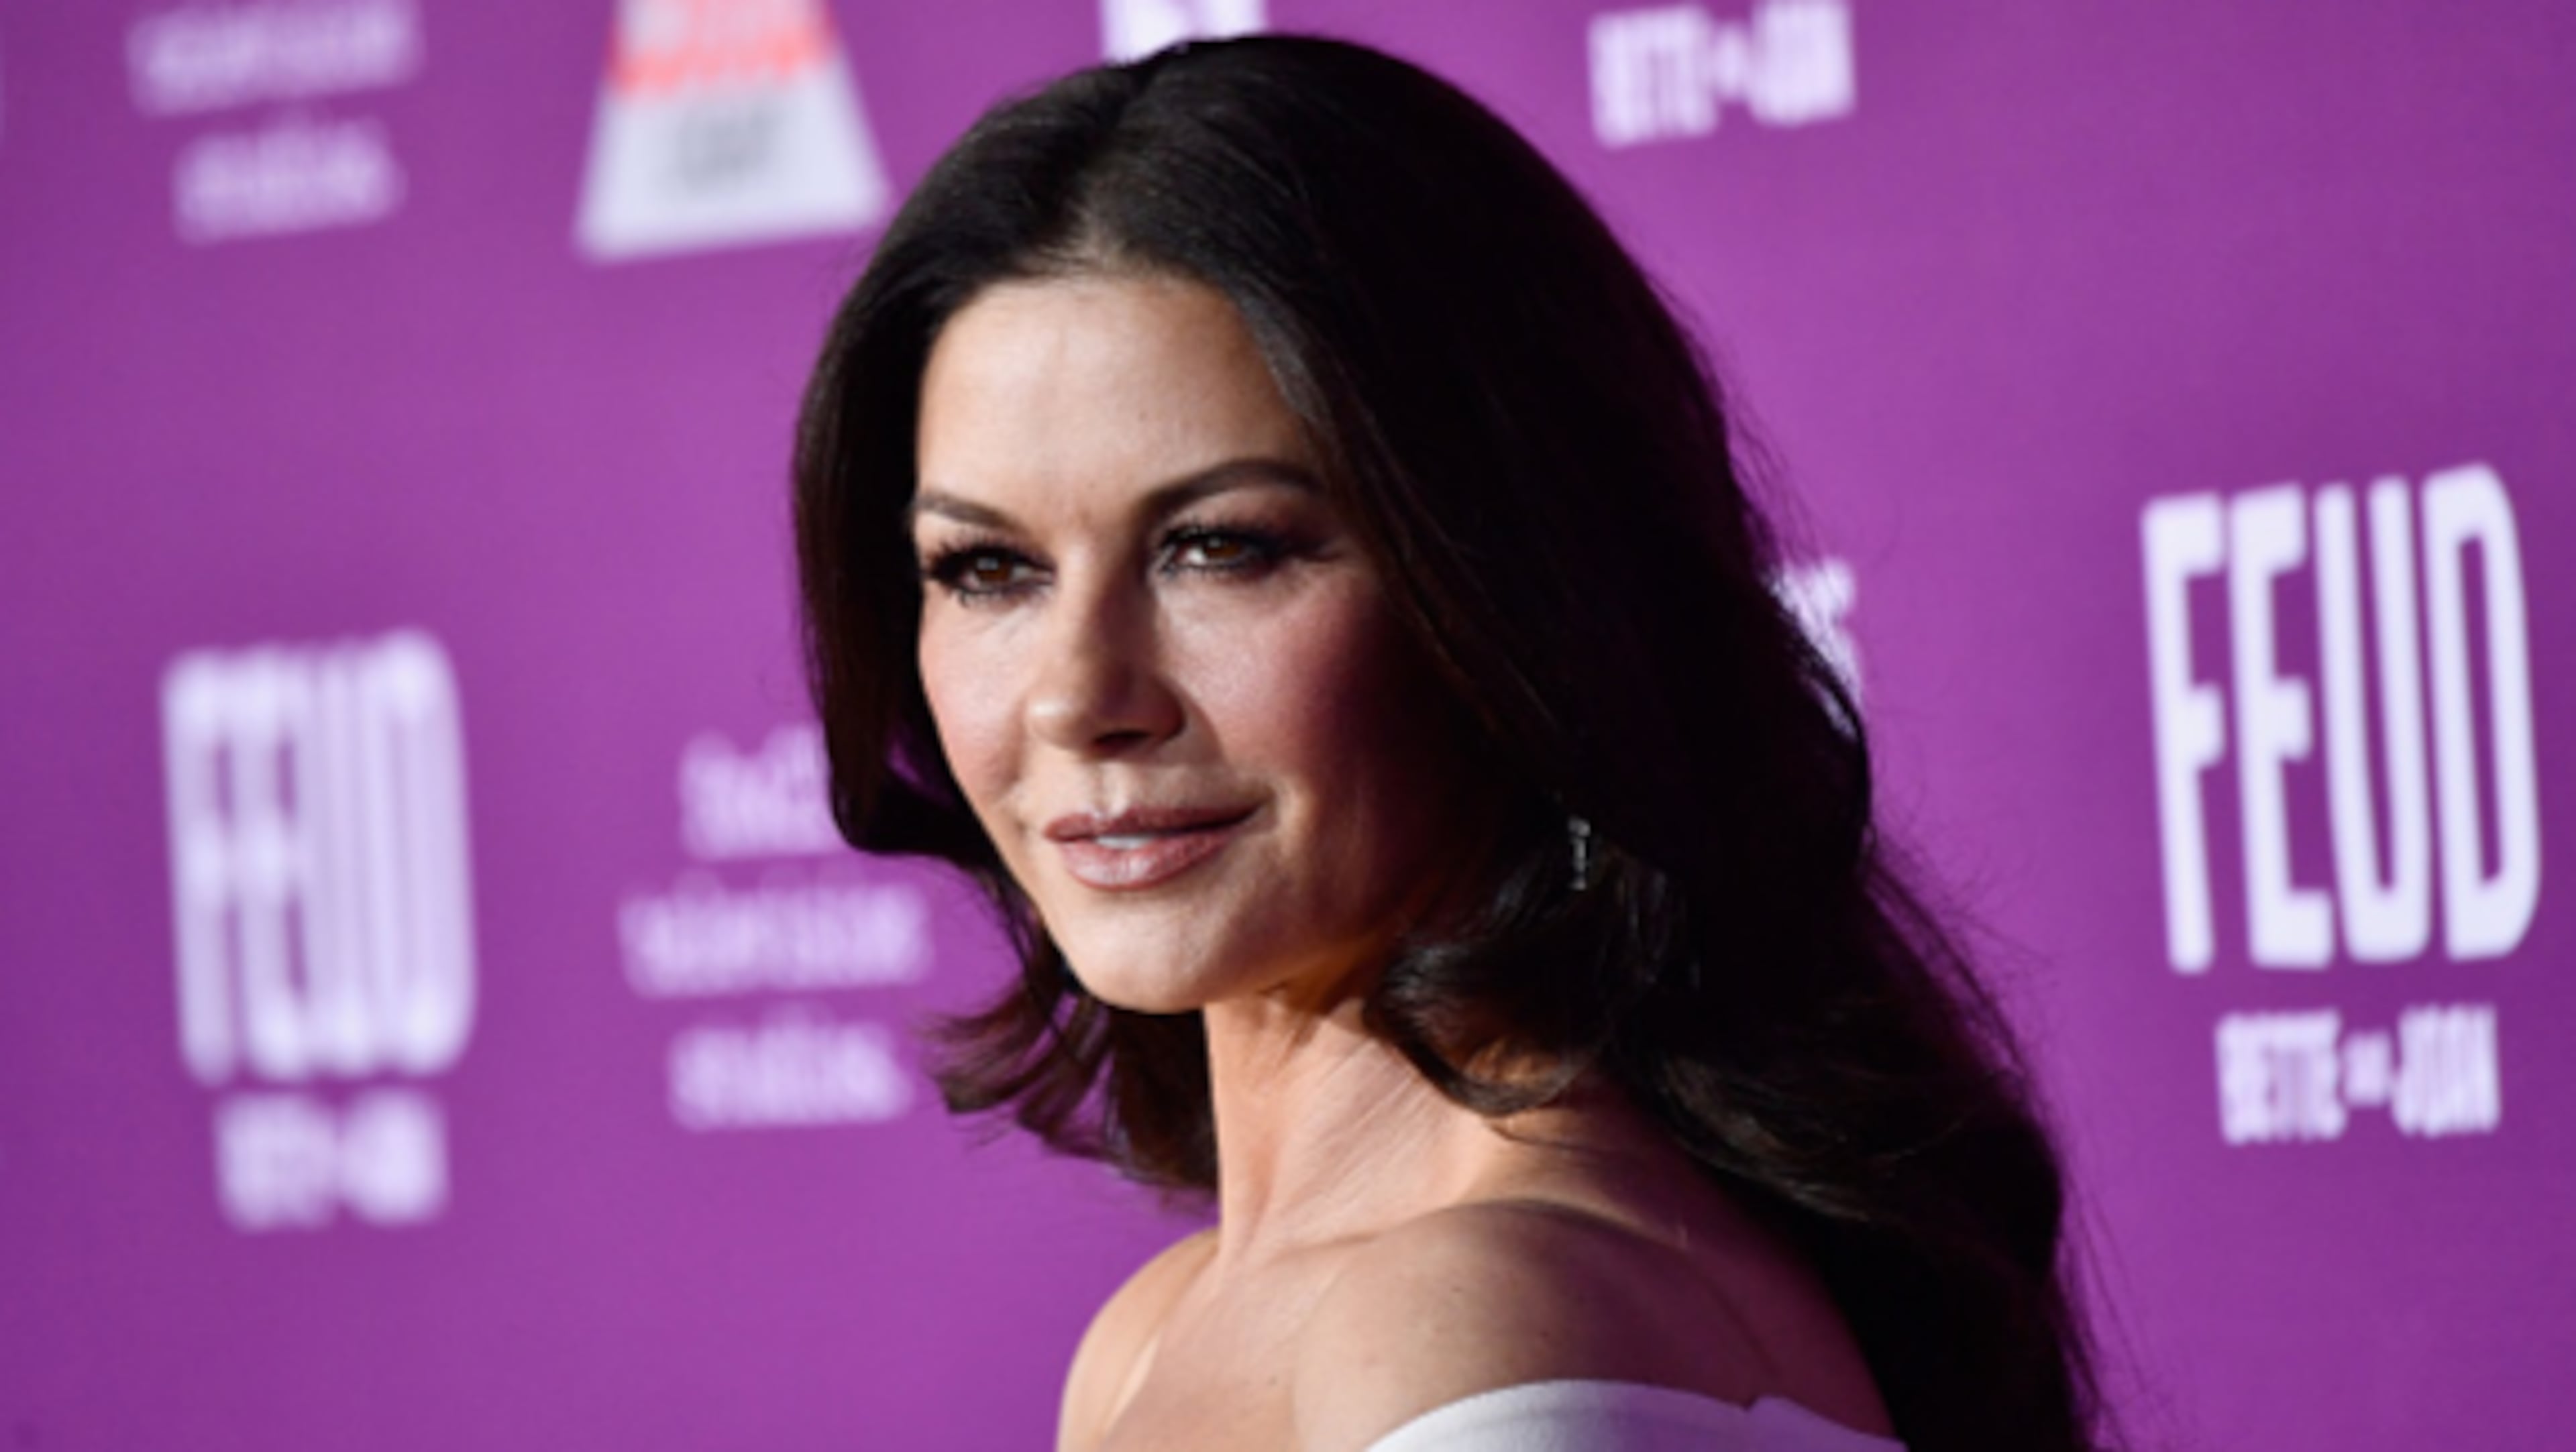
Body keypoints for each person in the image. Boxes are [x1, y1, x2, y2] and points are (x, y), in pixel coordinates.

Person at [792, 34, 2105, 1452]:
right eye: (989, 570)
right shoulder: (1163, 1338)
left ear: (1508, 583)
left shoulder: (1473, 1326)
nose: (1076, 695)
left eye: (1219, 548)